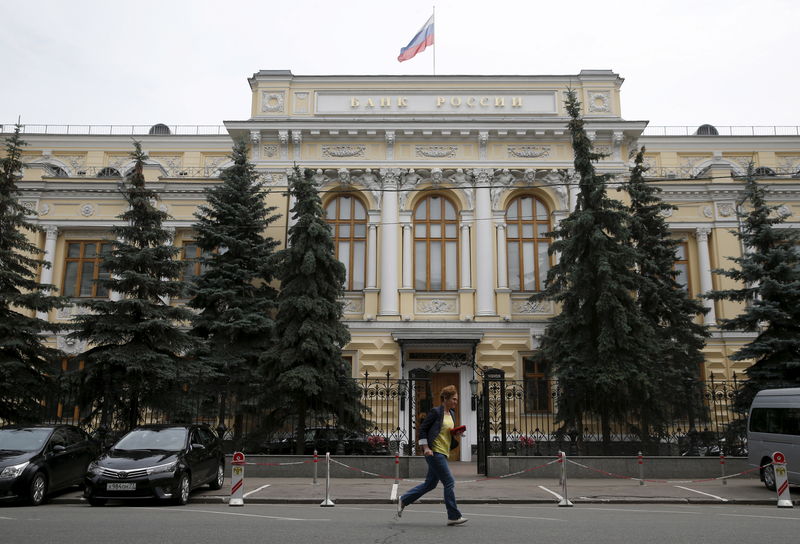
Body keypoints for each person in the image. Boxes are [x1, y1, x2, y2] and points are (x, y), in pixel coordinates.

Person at [397, 385, 468, 526]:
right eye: (453, 399)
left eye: (456, 399)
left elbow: (444, 431)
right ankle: (453, 516)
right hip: (434, 452)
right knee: (449, 482)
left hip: (443, 452)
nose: (455, 402)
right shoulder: (436, 412)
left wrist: (456, 433)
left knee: (430, 484)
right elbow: (422, 430)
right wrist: (426, 448)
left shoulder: (452, 413)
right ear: (445, 399)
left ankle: (404, 499)